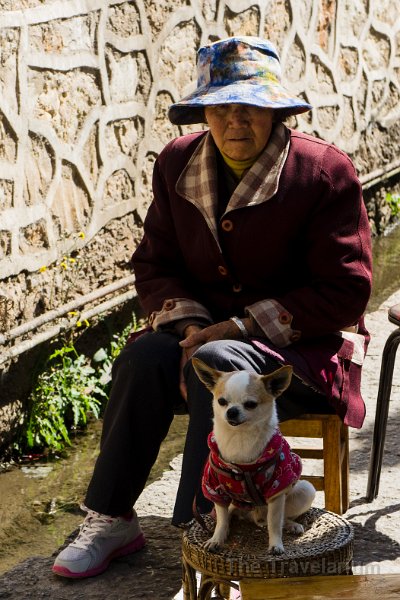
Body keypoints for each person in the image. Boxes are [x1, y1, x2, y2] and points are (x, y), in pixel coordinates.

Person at [52, 36, 372, 578]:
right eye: (221, 106)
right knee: (144, 358)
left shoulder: (322, 174)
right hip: (202, 335)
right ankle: (109, 518)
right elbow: (154, 263)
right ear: (203, 112)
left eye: (250, 106)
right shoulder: (178, 163)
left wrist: (242, 325)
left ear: (277, 111)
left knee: (226, 353)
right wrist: (194, 323)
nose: (235, 120)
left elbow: (346, 289)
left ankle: (202, 523)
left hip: (295, 358)